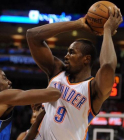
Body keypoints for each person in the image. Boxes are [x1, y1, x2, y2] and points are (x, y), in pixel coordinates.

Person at [26, 6, 122, 140]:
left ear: (86, 59)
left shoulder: (93, 89)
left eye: (71, 52)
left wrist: (107, 30)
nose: (66, 56)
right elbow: (32, 36)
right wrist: (78, 24)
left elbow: (108, 66)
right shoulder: (57, 71)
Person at [0, 64, 61, 140]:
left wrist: (38, 120)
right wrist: (62, 82)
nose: (9, 82)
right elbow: (54, 94)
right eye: (4, 78)